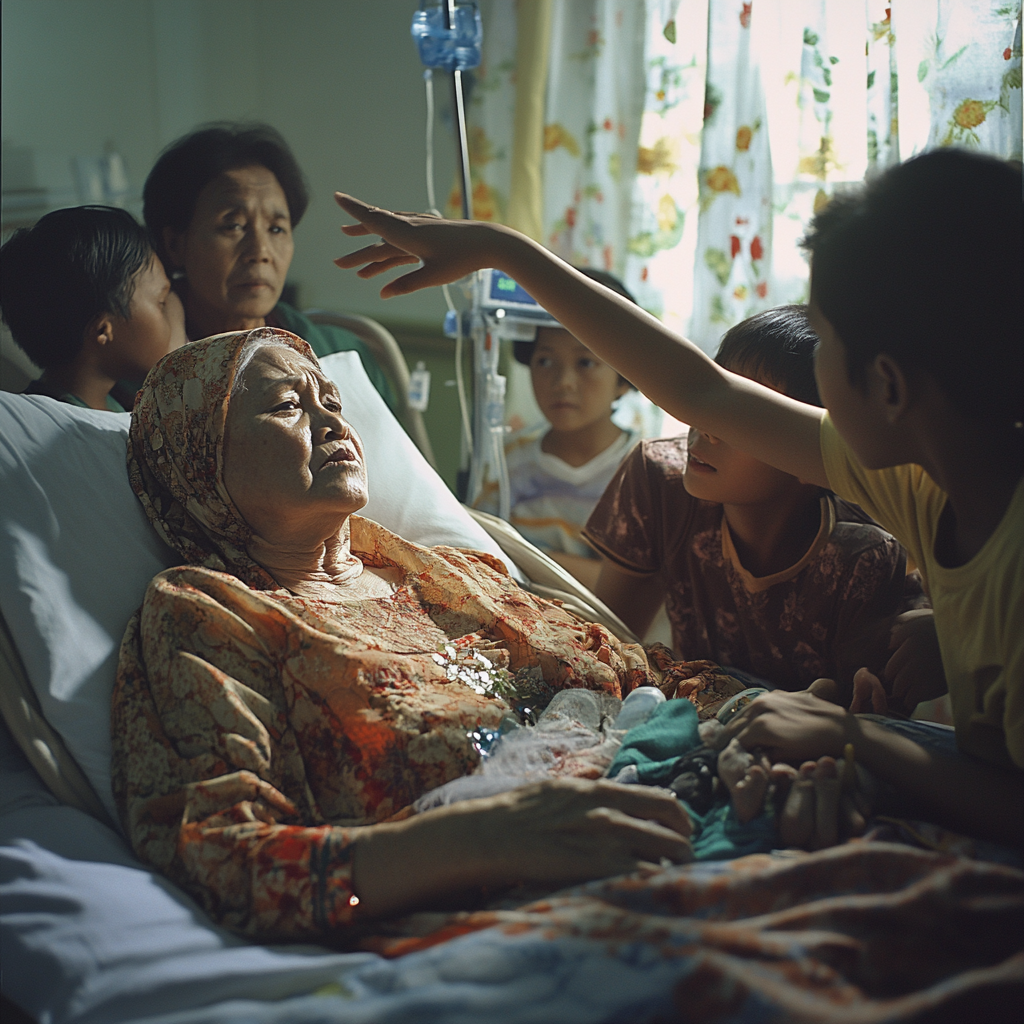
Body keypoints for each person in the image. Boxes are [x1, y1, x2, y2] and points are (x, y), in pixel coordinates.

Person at [331, 147, 1022, 847]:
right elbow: (703, 391)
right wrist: (501, 249)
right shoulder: (927, 473)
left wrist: (856, 738)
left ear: (889, 386)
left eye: (824, 345)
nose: (709, 431)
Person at [112, 328, 695, 939]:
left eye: (332, 404)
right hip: (527, 909)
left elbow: (649, 673)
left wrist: (761, 721)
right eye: (288, 406)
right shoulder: (212, 612)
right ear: (200, 459)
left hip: (683, 796)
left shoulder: (447, 574)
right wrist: (484, 838)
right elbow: (222, 855)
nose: (334, 424)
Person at [585, 305, 927, 697]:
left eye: (746, 412)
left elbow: (858, 726)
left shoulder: (863, 556)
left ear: (811, 451)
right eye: (717, 390)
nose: (707, 423)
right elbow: (605, 649)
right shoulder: (662, 480)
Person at [142, 122, 395, 408]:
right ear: (175, 244)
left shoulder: (340, 354)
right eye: (233, 226)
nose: (260, 252)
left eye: (276, 229)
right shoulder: (140, 370)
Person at [498, 268, 641, 589]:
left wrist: (528, 558)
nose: (563, 383)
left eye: (585, 363)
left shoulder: (643, 474)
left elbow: (631, 589)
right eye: (545, 362)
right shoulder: (508, 463)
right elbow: (479, 550)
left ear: (624, 376)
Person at [0, 206, 185, 411]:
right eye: (161, 303)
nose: (170, 312)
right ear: (103, 330)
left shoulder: (104, 403)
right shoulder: (74, 432)